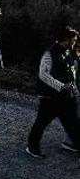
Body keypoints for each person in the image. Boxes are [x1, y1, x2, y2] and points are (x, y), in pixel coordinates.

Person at [26, 27, 80, 158]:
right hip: (50, 97)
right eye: (73, 40)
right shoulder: (49, 53)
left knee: (74, 123)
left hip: (67, 97)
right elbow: (43, 75)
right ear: (66, 39)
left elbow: (71, 75)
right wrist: (61, 87)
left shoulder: (68, 53)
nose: (75, 42)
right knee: (41, 122)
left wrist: (74, 90)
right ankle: (32, 147)